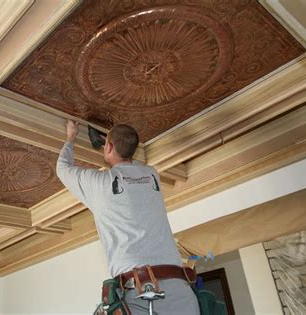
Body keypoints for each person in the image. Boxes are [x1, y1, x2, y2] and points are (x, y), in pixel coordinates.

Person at [56, 120, 200, 314]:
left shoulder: (100, 183)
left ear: (109, 146)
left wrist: (71, 137)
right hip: (181, 293)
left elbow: (62, 168)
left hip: (142, 295)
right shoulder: (152, 176)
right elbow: (131, 166)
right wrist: (115, 145)